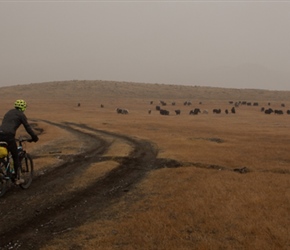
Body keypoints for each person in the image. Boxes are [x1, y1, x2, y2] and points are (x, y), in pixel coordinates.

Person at [0, 99, 39, 185]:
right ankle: (17, 178)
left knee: (3, 153)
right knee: (15, 156)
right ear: (23, 108)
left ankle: (4, 168)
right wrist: (34, 137)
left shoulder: (9, 112)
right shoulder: (21, 115)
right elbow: (28, 128)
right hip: (9, 136)